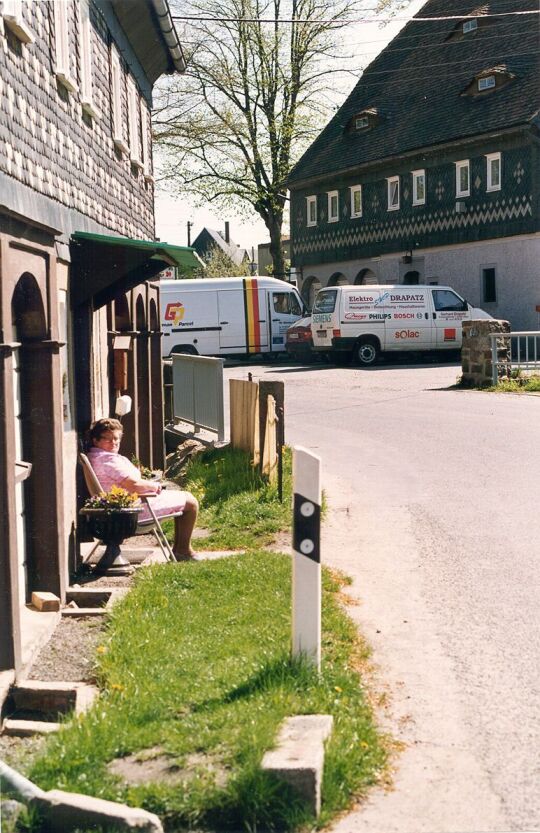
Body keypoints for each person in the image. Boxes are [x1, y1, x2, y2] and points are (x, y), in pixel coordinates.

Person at [86, 417, 198, 560]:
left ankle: (180, 550)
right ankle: (183, 551)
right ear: (96, 440)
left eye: (116, 438)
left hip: (120, 508)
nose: (113, 442)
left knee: (184, 497)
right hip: (133, 511)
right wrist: (156, 487)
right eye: (107, 439)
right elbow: (135, 486)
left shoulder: (96, 456)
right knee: (190, 502)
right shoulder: (107, 461)